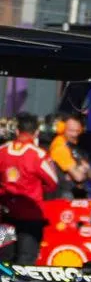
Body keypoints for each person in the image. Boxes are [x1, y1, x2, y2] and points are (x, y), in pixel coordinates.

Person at [0, 113, 59, 263]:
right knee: (26, 258)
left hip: (5, 215)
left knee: (3, 256)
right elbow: (52, 183)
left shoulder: (2, 151)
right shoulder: (38, 155)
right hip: (30, 216)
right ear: (36, 132)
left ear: (17, 131)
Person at [48, 113, 91, 199]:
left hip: (76, 194)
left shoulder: (76, 145)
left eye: (77, 131)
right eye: (71, 130)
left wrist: (83, 170)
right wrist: (84, 169)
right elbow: (79, 177)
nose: (74, 134)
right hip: (64, 196)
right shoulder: (59, 146)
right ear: (62, 128)